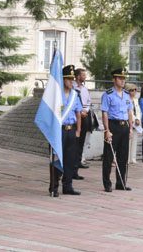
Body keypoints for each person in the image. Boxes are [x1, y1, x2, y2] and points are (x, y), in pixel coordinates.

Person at [51, 65, 83, 196]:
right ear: (63, 80)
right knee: (57, 158)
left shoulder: (75, 95)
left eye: (73, 79)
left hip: (71, 130)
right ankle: (54, 187)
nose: (72, 82)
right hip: (59, 131)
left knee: (70, 159)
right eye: (69, 79)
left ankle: (68, 185)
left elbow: (78, 113)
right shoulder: (56, 95)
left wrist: (78, 131)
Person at [101, 68, 133, 192]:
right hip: (113, 126)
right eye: (120, 78)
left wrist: (130, 128)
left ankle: (121, 182)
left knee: (123, 157)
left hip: (124, 126)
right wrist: (106, 130)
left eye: (124, 78)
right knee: (109, 156)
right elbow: (105, 113)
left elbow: (130, 112)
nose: (122, 81)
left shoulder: (126, 95)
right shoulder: (108, 94)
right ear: (114, 79)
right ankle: (107, 183)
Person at [73, 68, 93, 174]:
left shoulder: (85, 89)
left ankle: (78, 162)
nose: (85, 77)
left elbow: (89, 101)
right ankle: (72, 165)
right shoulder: (72, 87)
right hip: (75, 117)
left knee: (81, 141)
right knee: (74, 142)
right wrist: (80, 111)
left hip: (84, 116)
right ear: (77, 76)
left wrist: (86, 110)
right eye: (83, 75)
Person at [126, 83, 141, 164]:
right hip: (129, 122)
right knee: (128, 141)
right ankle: (127, 159)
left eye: (135, 90)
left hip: (136, 123)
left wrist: (138, 119)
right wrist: (134, 119)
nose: (134, 92)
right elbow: (129, 112)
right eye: (132, 90)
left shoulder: (136, 100)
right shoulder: (126, 99)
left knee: (134, 141)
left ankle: (133, 158)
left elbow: (138, 111)